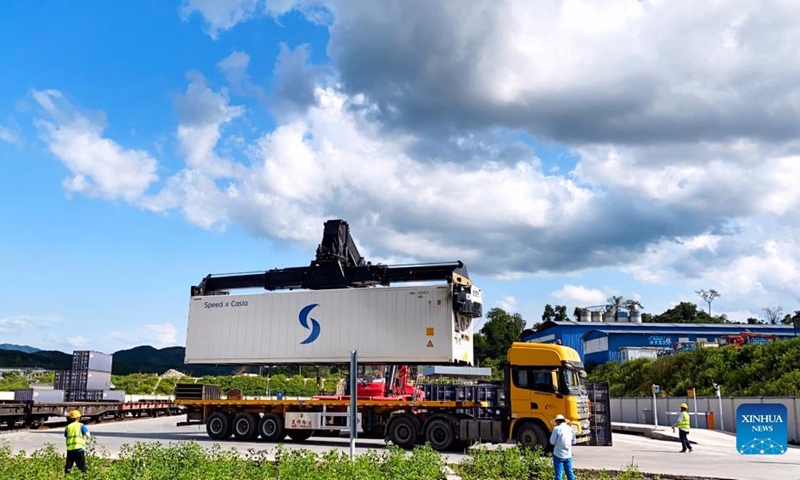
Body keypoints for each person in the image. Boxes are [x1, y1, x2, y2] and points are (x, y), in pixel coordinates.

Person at [549, 414, 576, 480]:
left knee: (559, 474)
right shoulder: (570, 429)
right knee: (570, 473)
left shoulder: (556, 429)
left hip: (558, 454)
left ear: (557, 421)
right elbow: (574, 442)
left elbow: (552, 442)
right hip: (568, 455)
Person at [64, 409, 90, 474]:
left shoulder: (68, 427)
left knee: (68, 467)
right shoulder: (81, 425)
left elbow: (66, 436)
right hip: (79, 449)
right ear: (78, 418)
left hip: (70, 450)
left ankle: (66, 477)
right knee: (82, 468)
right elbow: (88, 435)